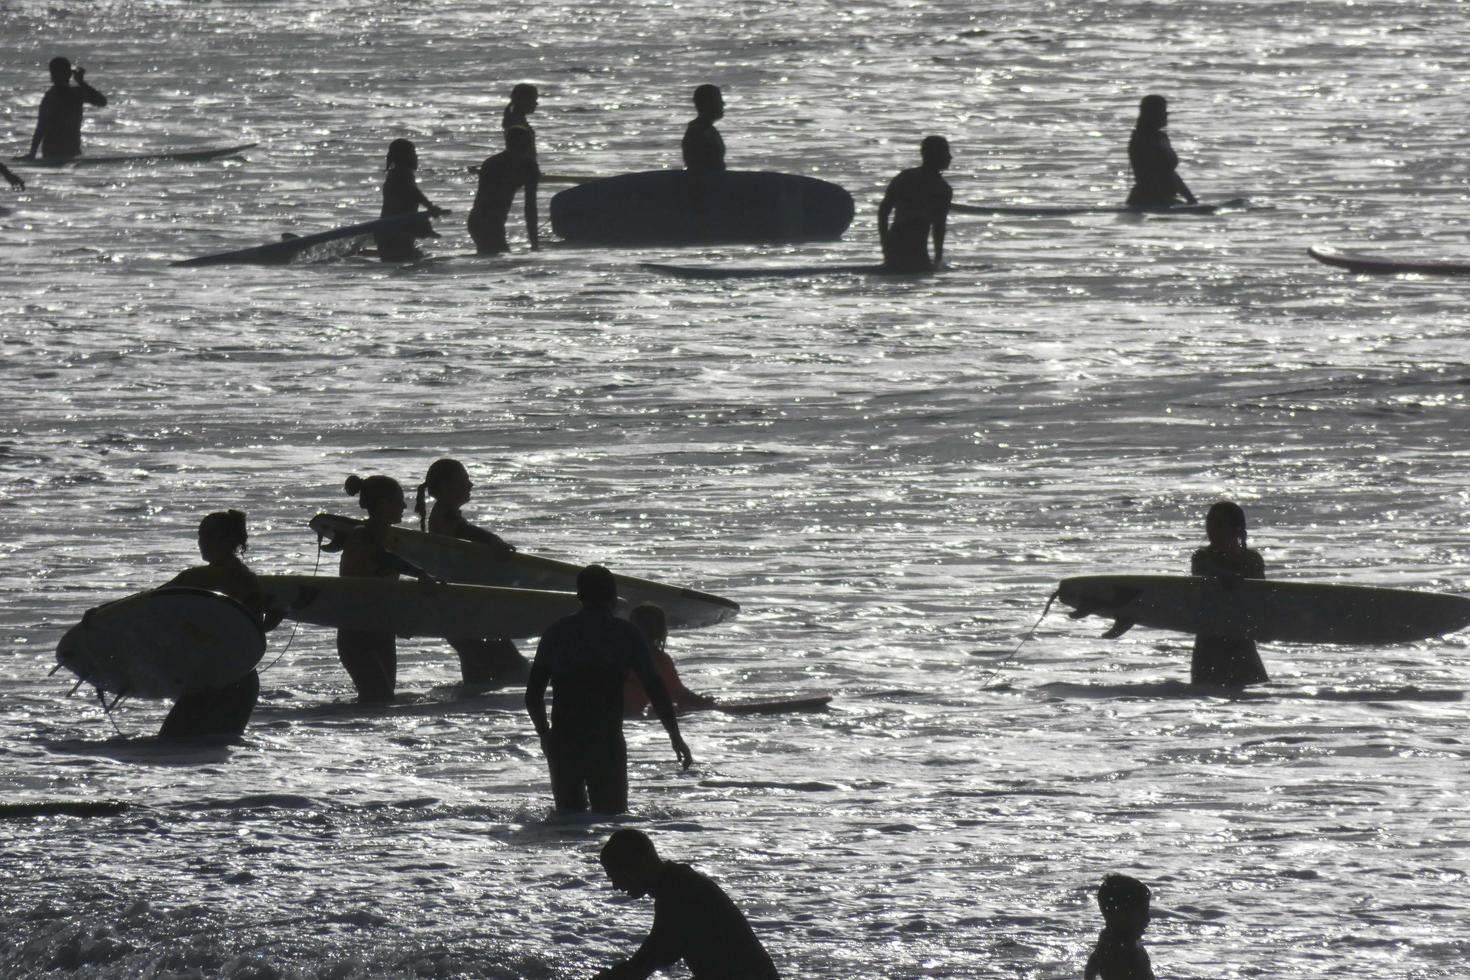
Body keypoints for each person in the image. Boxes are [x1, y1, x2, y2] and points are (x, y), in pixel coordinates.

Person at [525, 565, 692, 814]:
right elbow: (656, 688)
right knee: (611, 820)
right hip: (606, 741)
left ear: (579, 597)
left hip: (564, 740)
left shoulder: (556, 633)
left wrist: (544, 735)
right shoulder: (626, 634)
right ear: (614, 599)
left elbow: (532, 696)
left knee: (567, 824)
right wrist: (675, 736)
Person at [591, 829, 780, 980]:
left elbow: (652, 957)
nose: (615, 885)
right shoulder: (679, 883)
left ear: (637, 863)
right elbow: (660, 953)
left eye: (616, 874)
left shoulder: (679, 893)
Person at [157, 510, 282, 738]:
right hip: (243, 679)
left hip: (211, 679)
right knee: (218, 752)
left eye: (206, 536)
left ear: (225, 540)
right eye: (200, 535)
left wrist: (102, 613)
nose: (200, 542)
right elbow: (254, 631)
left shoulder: (196, 578)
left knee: (171, 745)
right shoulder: (249, 580)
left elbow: (149, 604)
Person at [414, 457, 528, 685]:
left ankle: (470, 708)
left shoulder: (442, 514)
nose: (470, 484)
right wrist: (492, 540)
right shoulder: (445, 515)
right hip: (461, 609)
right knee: (510, 667)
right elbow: (465, 531)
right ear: (446, 487)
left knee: (480, 673)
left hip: (459, 609)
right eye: (464, 479)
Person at [338, 474, 438, 701]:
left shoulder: (388, 537)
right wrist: (420, 574)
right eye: (400, 500)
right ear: (384, 504)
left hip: (382, 630)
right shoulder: (361, 536)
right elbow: (382, 558)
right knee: (379, 697)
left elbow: (387, 592)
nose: (404, 506)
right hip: (357, 634)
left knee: (383, 702)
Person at [1190, 500, 1269, 687]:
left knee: (1253, 694)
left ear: (1235, 528)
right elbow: (1203, 570)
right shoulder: (1202, 557)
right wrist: (1225, 577)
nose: (1211, 528)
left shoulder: (1252, 559)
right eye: (1209, 523)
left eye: (1218, 524)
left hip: (1241, 639)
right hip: (1209, 642)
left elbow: (1262, 595)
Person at [877, 135, 953, 273]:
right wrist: (938, 259)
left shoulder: (904, 176)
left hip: (894, 243)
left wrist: (885, 244)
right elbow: (939, 227)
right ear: (936, 156)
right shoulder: (942, 188)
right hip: (915, 246)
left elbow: (883, 211)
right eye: (946, 152)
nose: (950, 157)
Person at [623, 603, 714, 715]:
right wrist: (706, 703)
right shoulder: (659, 659)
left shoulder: (614, 652)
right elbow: (678, 695)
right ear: (661, 631)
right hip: (628, 715)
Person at [467, 125, 540, 254]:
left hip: (497, 222)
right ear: (508, 144)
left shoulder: (530, 167)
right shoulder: (493, 164)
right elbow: (486, 199)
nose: (523, 149)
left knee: (500, 259)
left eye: (526, 145)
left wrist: (534, 242)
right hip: (481, 221)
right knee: (496, 257)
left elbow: (530, 206)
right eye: (518, 145)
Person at [23, 57, 106, 161]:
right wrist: (81, 82)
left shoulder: (74, 93)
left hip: (65, 151)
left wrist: (32, 154)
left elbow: (102, 102)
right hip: (57, 152)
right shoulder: (64, 95)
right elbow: (41, 126)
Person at [375, 138, 443, 262]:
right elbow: (413, 193)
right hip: (396, 232)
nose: (416, 157)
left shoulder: (394, 174)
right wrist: (430, 207)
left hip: (386, 231)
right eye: (413, 153)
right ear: (405, 157)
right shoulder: (402, 173)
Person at [1125, 94, 1196, 208]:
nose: (1166, 115)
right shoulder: (1142, 140)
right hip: (1147, 200)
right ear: (1152, 115)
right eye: (1163, 111)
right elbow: (1161, 172)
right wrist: (1189, 198)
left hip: (1165, 200)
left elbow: (1171, 173)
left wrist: (1190, 198)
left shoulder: (1161, 137)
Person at [1083, 873, 1155, 980]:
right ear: (1120, 913)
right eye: (1143, 912)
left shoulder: (1118, 944)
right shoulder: (1118, 950)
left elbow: (1090, 972)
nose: (1148, 918)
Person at [681, 84, 726, 174]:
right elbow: (696, 167)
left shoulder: (708, 130)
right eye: (718, 100)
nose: (723, 104)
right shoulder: (698, 132)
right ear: (707, 103)